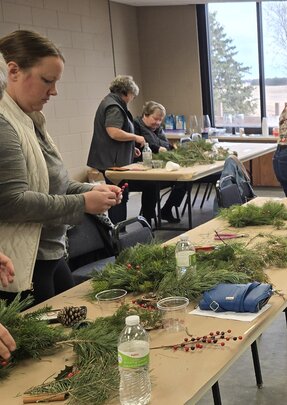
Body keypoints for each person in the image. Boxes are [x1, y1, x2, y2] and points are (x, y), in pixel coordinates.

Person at [0, 30, 120, 304]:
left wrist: (92, 191)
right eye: (47, 81)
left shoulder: (31, 119)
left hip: (51, 254)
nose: (53, 91)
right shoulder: (4, 125)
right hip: (25, 266)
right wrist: (81, 203)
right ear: (14, 70)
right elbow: (11, 202)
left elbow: (55, 184)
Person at [87, 75, 145, 224]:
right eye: (132, 95)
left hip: (113, 158)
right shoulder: (114, 106)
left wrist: (130, 149)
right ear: (126, 92)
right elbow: (113, 132)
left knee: (119, 196)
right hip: (111, 161)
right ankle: (118, 231)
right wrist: (135, 137)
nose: (132, 99)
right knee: (118, 196)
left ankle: (118, 230)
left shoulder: (111, 102)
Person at [133, 101, 187, 223]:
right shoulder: (135, 125)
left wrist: (173, 148)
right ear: (145, 115)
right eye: (155, 119)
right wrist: (157, 148)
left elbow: (165, 144)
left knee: (184, 181)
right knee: (151, 184)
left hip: (160, 166)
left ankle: (167, 209)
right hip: (142, 169)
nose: (157, 123)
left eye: (160, 120)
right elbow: (139, 145)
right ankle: (147, 218)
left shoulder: (158, 128)